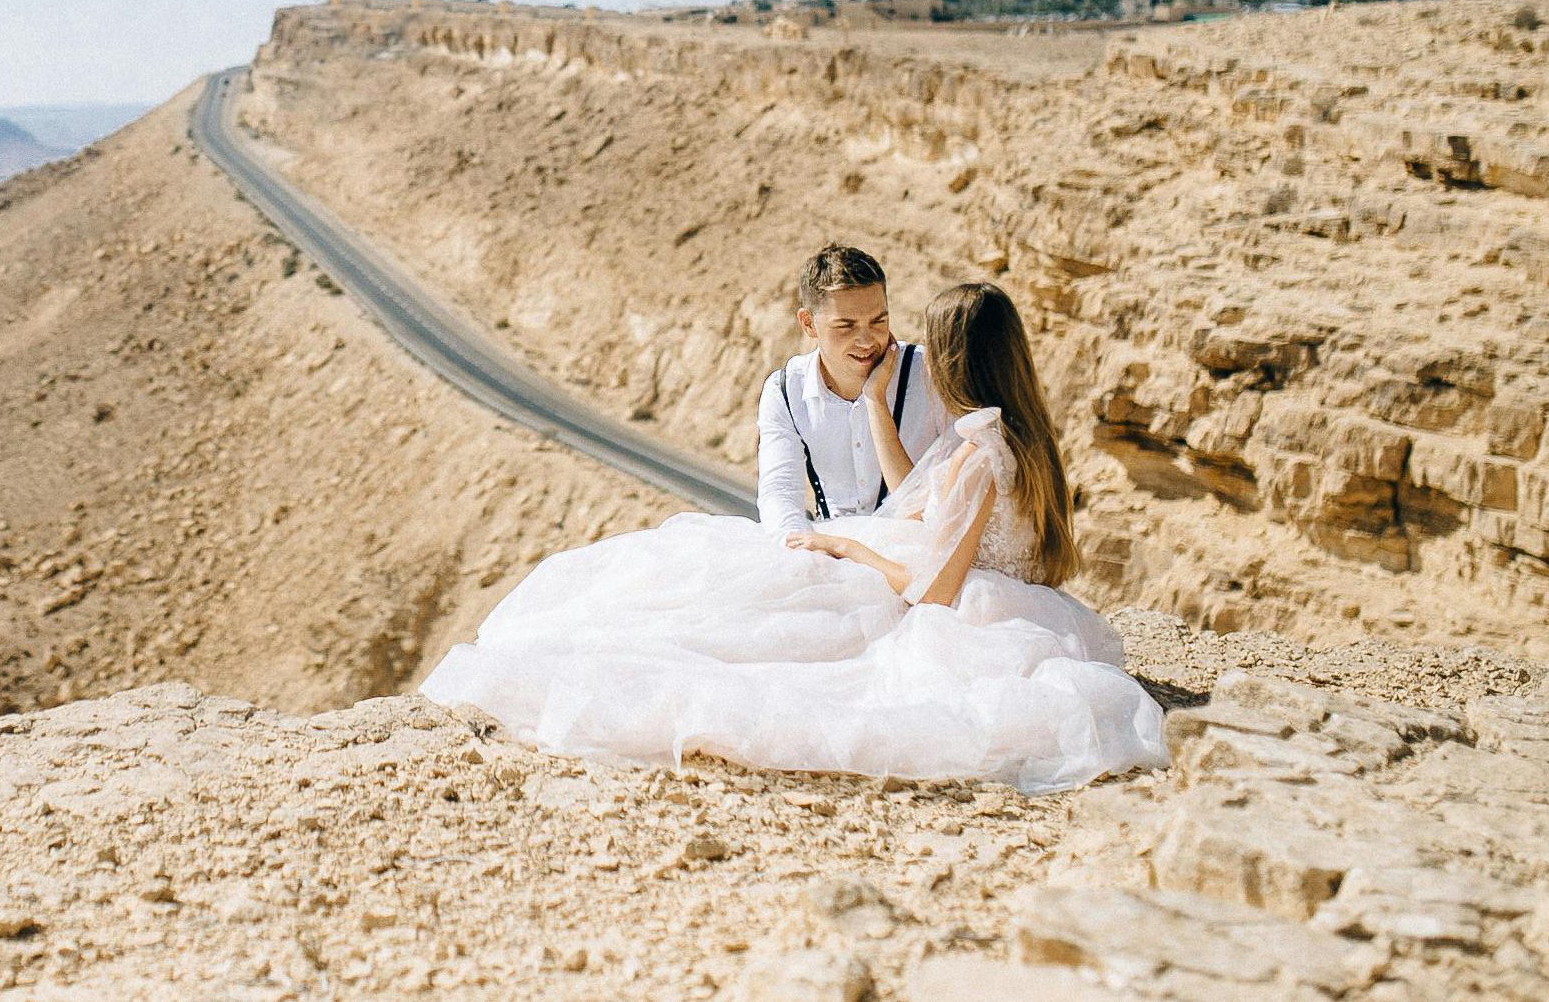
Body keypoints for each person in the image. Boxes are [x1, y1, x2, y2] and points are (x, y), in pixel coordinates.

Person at [418, 281, 1167, 794]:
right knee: (768, 590)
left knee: (772, 632)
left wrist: (852, 549)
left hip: (957, 605)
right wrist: (876, 406)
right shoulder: (1008, 436)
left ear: (952, 360)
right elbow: (919, 501)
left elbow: (936, 590)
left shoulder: (979, 452)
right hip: (973, 581)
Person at [759, 244, 954, 540]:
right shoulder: (785, 389)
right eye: (846, 326)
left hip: (916, 547)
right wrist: (800, 551)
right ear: (808, 323)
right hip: (829, 549)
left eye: (878, 321)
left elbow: (957, 492)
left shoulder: (931, 374)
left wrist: (875, 398)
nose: (866, 341)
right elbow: (779, 493)